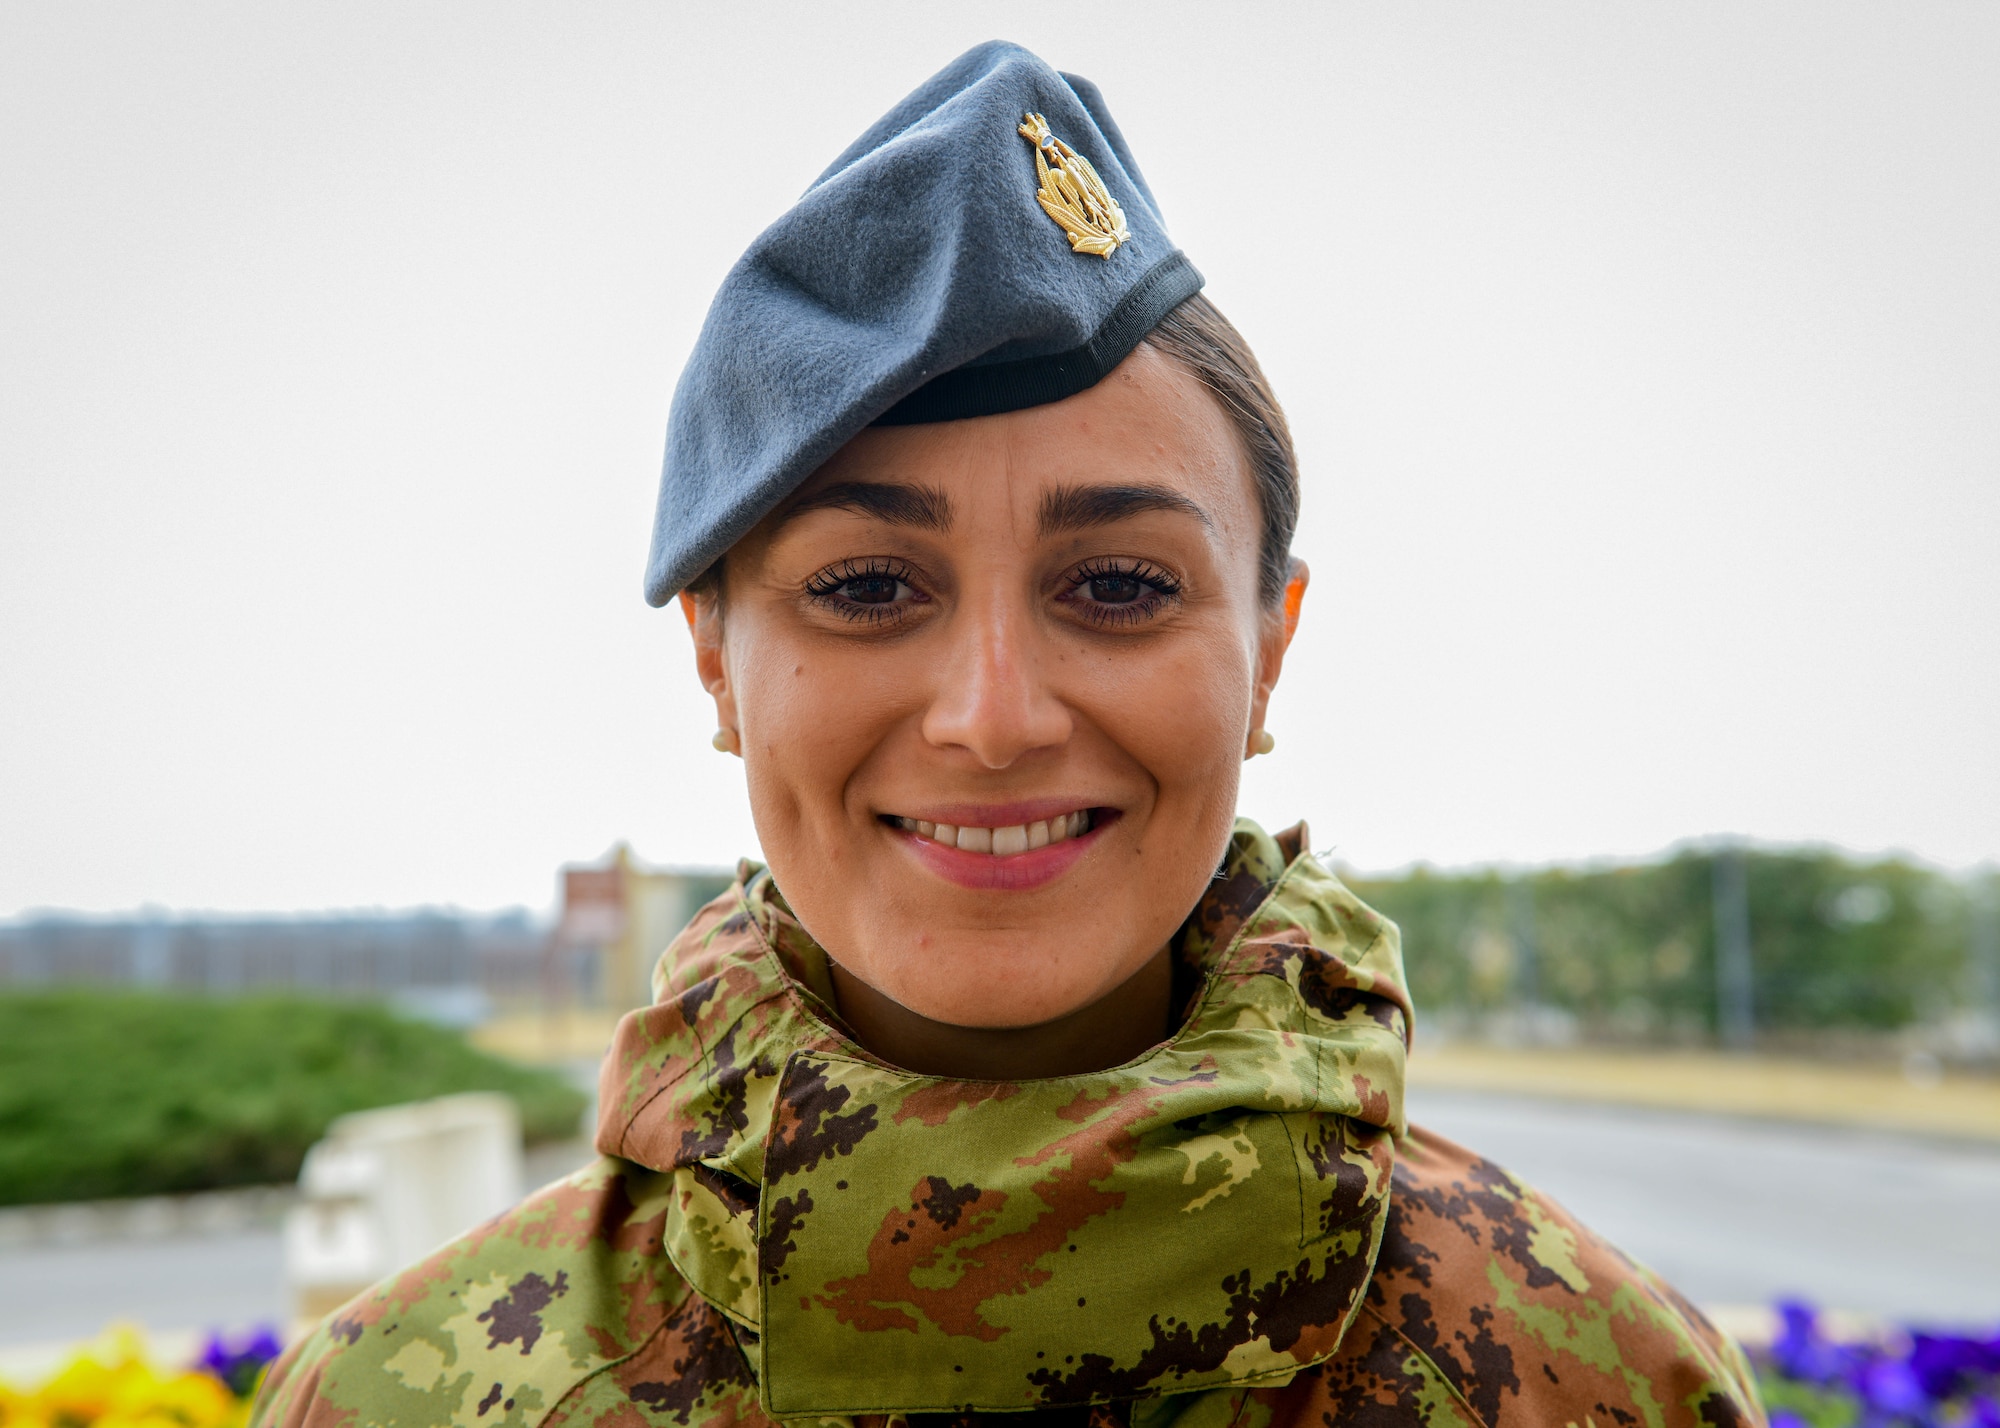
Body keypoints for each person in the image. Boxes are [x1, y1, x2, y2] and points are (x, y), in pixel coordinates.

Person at [251, 42, 1764, 1428]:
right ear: (716, 660)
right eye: (864, 587)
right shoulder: (406, 1401)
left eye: (1116, 586)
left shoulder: (1599, 1384)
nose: (991, 719)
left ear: (1269, 653)